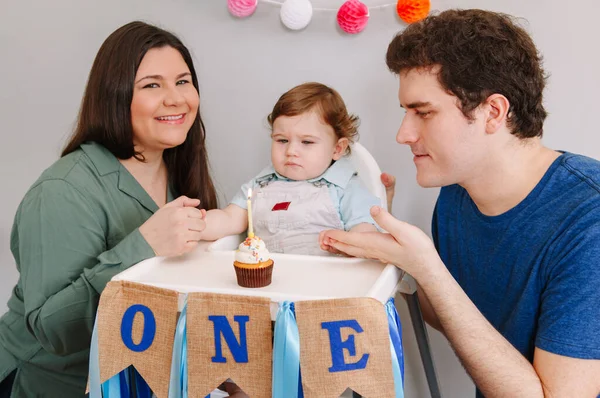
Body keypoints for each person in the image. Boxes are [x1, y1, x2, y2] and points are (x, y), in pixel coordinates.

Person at [320, 9, 600, 397]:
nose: (403, 133)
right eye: (406, 112)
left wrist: (427, 268)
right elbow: (450, 311)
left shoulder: (589, 221)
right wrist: (397, 263)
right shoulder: (457, 193)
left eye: (424, 112)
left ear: (493, 112)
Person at [0, 21, 217, 397]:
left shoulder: (178, 170)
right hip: (46, 383)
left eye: (183, 81)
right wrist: (143, 245)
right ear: (115, 96)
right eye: (152, 85)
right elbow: (52, 331)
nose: (176, 98)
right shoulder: (62, 191)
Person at [200, 82, 379, 254]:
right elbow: (229, 218)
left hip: (325, 279)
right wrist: (198, 224)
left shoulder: (346, 188)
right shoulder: (259, 185)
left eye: (307, 142)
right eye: (282, 140)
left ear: (337, 148)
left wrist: (352, 244)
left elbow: (365, 230)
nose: (291, 151)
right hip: (266, 279)